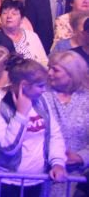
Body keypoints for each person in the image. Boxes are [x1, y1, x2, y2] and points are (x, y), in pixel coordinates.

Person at [0, 55, 68, 197]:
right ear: (23, 85)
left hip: (38, 181)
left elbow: (54, 134)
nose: (44, 90)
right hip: (7, 183)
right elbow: (8, 147)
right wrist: (21, 114)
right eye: (40, 86)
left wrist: (58, 163)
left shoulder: (42, 100)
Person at [43, 50, 89, 197]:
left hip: (77, 178)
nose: (49, 73)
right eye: (49, 68)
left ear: (72, 74)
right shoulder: (41, 95)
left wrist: (81, 157)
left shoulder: (87, 99)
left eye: (55, 70)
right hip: (44, 175)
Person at [0, 0, 48, 65]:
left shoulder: (32, 36)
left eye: (14, 14)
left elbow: (44, 61)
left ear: (22, 19)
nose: (9, 16)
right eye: (5, 13)